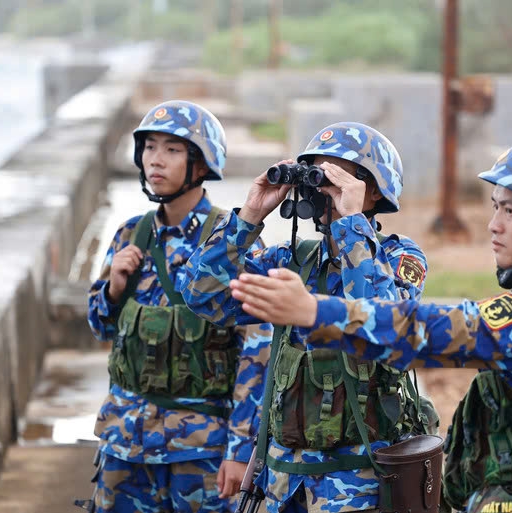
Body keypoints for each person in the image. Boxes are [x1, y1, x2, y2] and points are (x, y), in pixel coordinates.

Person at [228, 138, 512, 513]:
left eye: (507, 210)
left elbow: (424, 330)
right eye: (494, 208)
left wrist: (313, 312)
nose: (493, 225)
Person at [182, 122, 439, 513]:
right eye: (316, 175)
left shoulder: (399, 258)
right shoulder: (290, 260)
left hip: (356, 483)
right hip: (282, 481)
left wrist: (351, 220)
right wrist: (250, 216)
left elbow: (383, 321)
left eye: (337, 177)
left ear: (372, 191)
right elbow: (204, 297)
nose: (323, 190)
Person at [84, 100, 271, 513]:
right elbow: (100, 328)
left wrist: (241, 452)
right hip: (124, 443)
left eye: (172, 149)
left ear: (201, 164)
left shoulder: (233, 240)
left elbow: (258, 353)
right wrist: (113, 288)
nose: (156, 160)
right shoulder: (130, 234)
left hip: (200, 450)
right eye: (149, 147)